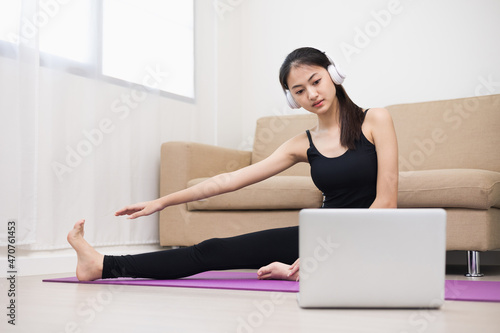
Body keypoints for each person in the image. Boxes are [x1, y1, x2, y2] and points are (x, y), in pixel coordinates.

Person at [67, 47, 398, 282]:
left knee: (347, 263)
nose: (311, 93)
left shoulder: (375, 120)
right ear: (292, 99)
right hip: (320, 232)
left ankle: (304, 269)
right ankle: (101, 265)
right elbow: (230, 180)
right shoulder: (301, 144)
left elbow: (386, 203)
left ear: (333, 74)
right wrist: (163, 201)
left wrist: (321, 254)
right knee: (211, 251)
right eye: (299, 90)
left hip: (368, 236)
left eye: (315, 80)